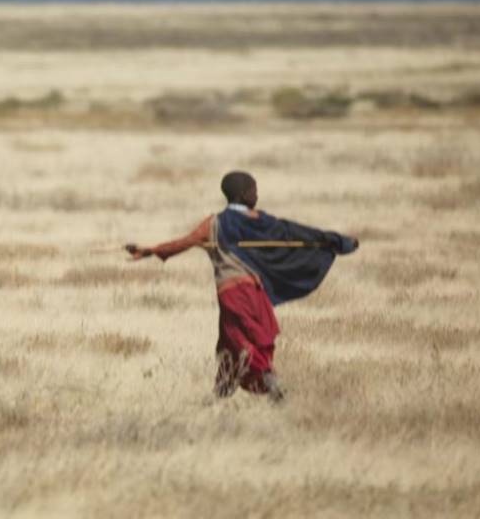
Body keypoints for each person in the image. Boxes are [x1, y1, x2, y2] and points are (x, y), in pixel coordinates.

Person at [125, 171, 358, 402]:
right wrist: (338, 241)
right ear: (244, 193)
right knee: (238, 342)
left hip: (231, 293)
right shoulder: (263, 222)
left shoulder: (213, 224)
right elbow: (301, 233)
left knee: (238, 341)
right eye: (254, 190)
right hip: (255, 292)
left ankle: (261, 379)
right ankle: (225, 393)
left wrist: (149, 251)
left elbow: (182, 243)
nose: (257, 194)